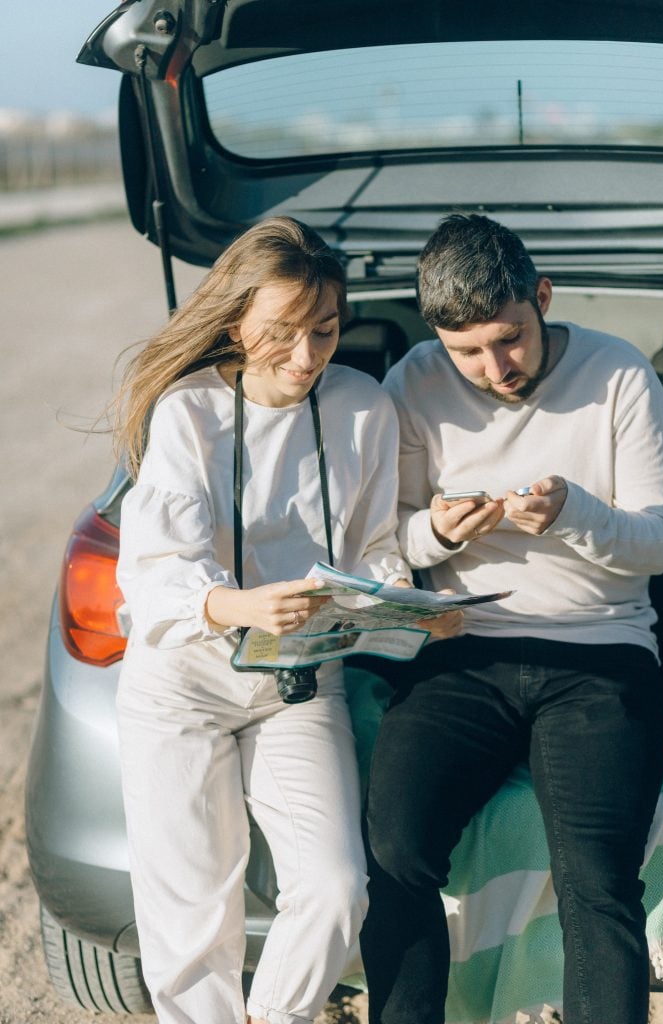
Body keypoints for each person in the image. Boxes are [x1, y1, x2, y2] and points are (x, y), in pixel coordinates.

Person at [113, 216, 462, 1024]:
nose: (306, 356)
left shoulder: (363, 408)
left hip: (298, 684)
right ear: (235, 322)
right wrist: (235, 603)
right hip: (181, 689)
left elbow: (372, 552)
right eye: (280, 334)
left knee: (337, 888)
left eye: (325, 330)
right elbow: (157, 572)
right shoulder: (187, 414)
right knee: (193, 919)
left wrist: (410, 610)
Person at [360, 213, 663, 1024]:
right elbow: (376, 543)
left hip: (601, 655)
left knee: (597, 879)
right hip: (464, 651)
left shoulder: (617, 375)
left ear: (540, 297)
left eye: (508, 339)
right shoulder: (411, 381)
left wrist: (574, 512)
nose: (491, 367)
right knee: (395, 849)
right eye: (465, 351)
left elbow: (662, 542)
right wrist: (432, 532)